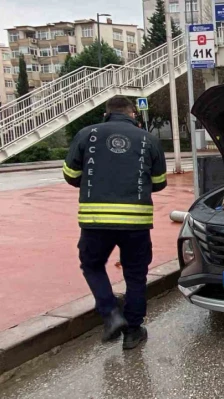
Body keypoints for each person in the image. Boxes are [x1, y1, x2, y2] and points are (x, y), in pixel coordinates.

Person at [63, 95, 167, 350]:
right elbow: (161, 181)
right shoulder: (148, 139)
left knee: (92, 265)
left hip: (95, 219)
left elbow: (70, 174)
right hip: (136, 221)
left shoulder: (87, 134)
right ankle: (133, 331)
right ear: (133, 113)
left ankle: (110, 314)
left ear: (106, 113)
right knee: (135, 274)